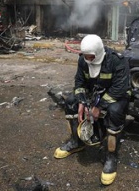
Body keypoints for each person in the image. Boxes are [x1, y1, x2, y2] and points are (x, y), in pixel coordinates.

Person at [54, 34, 131, 186]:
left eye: (91, 57)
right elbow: (79, 82)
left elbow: (119, 88)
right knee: (70, 102)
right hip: (94, 94)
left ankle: (110, 156)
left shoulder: (117, 60)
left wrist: (99, 107)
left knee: (115, 111)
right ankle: (77, 142)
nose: (88, 60)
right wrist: (82, 100)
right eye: (85, 56)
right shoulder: (83, 60)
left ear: (98, 52)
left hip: (116, 95)